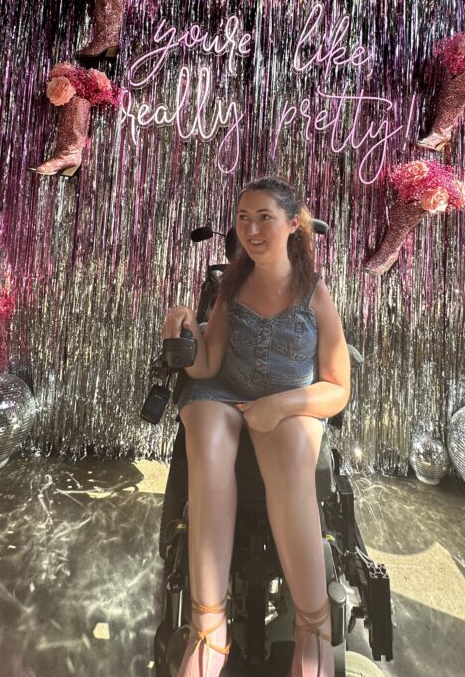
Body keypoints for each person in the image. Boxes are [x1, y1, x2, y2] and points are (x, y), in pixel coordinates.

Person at [160, 177, 351, 677]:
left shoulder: (314, 292)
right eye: (243, 218)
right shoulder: (232, 287)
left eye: (264, 216)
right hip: (227, 393)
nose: (251, 228)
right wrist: (183, 334)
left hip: (289, 403)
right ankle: (209, 626)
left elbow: (337, 388)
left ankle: (313, 628)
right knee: (203, 429)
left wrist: (281, 405)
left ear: (293, 224)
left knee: (289, 456)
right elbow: (208, 365)